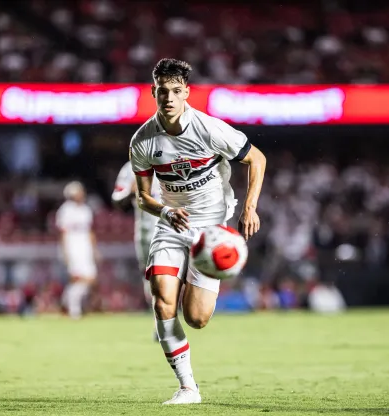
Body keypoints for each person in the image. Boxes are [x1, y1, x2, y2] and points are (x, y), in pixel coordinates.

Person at [129, 58, 267, 405]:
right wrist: (164, 210)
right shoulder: (142, 141)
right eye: (163, 91)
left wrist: (250, 207)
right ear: (153, 93)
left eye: (176, 91)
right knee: (162, 302)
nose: (170, 98)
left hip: (211, 231)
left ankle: (196, 279)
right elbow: (143, 197)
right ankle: (188, 388)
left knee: (197, 318)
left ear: (187, 92)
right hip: (171, 225)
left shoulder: (209, 129)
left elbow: (257, 159)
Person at [112, 161, 161, 340]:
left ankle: (166, 320)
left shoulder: (177, 158)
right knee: (152, 279)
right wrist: (131, 191)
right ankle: (161, 322)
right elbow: (117, 200)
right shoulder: (131, 167)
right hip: (146, 231)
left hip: (175, 228)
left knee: (169, 275)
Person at [56, 181, 100, 319]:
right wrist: (65, 252)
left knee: (90, 278)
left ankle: (65, 301)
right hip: (72, 247)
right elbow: (62, 233)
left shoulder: (86, 210)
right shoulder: (65, 210)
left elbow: (90, 232)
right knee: (78, 278)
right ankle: (74, 309)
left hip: (85, 248)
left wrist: (94, 249)